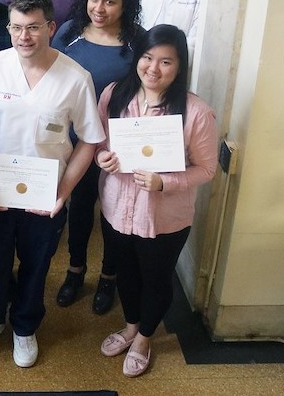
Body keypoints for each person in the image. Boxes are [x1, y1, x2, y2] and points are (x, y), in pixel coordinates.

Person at [0, 0, 105, 369]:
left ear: (50, 27)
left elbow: (90, 140)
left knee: (37, 264)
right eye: (17, 28)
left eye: (34, 27)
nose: (24, 36)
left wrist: (63, 192)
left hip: (45, 193)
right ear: (9, 29)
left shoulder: (75, 77)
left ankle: (24, 326)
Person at [96, 24, 218, 377]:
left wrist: (164, 183)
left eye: (166, 61)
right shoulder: (115, 94)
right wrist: (101, 158)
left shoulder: (195, 112)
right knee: (125, 273)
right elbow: (100, 144)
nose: (153, 68)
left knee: (157, 279)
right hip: (116, 209)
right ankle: (131, 325)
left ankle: (145, 338)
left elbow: (207, 168)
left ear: (180, 67)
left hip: (164, 218)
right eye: (148, 58)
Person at [51, 0, 146, 315]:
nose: (99, 8)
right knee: (79, 206)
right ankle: (75, 271)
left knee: (113, 213)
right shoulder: (68, 33)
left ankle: (109, 276)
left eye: (110, 2)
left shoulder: (139, 40)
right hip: (75, 142)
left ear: (126, 5)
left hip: (119, 146)